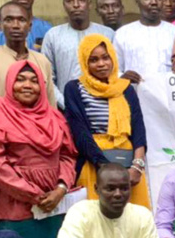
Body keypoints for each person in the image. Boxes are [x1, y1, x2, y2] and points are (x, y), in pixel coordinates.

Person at [0, 61, 78, 238]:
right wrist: (33, 195)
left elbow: (67, 155)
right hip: (12, 208)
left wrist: (61, 189)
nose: (27, 85)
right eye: (20, 79)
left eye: (34, 80)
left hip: (53, 208)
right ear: (9, 84)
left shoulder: (54, 117)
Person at [64, 34, 151, 208]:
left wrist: (137, 167)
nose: (101, 64)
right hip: (93, 164)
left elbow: (138, 130)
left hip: (129, 166)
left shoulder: (125, 87)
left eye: (105, 57)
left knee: (133, 220)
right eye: (93, 60)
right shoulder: (74, 88)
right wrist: (105, 168)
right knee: (95, 222)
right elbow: (80, 134)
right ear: (84, 62)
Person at [42, 0, 114, 108]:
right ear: (64, 5)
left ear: (89, 4)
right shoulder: (52, 36)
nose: (76, 5)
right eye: (70, 0)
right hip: (66, 110)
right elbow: (47, 77)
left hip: (104, 107)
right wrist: (66, 104)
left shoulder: (107, 34)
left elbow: (116, 72)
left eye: (81, 0)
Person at [0, 2, 56, 106]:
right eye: (9, 20)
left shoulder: (42, 61)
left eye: (21, 20)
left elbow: (50, 104)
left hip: (34, 122)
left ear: (29, 26)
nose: (15, 25)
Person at [113, 0, 175, 83]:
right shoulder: (122, 34)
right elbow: (114, 70)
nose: (154, 2)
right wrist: (123, 77)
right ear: (137, 1)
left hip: (169, 96)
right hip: (135, 95)